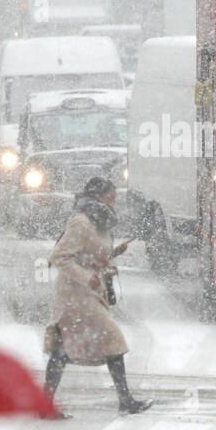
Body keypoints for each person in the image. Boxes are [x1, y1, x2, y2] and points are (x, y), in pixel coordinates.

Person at [43, 177, 153, 416]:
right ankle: (125, 400)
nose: (114, 202)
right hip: (76, 294)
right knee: (112, 339)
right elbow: (59, 257)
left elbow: (90, 254)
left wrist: (114, 253)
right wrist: (86, 277)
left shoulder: (100, 224)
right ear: (98, 198)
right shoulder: (82, 222)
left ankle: (44, 404)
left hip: (90, 293)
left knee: (62, 347)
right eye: (111, 197)